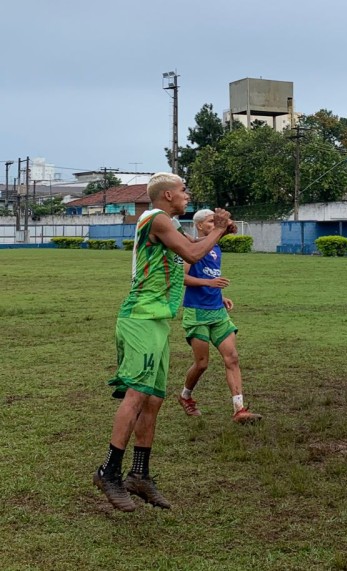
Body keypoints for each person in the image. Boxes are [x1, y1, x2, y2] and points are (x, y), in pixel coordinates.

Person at [94, 173, 234, 512]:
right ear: (168, 195)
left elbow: (194, 247)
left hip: (156, 320)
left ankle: (139, 474)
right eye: (184, 190)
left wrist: (220, 231)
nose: (188, 195)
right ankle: (108, 473)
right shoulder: (156, 219)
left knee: (153, 399)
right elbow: (193, 253)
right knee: (136, 395)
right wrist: (217, 230)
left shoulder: (168, 223)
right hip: (141, 317)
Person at [176, 209, 262, 424]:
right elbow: (181, 278)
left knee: (232, 357)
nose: (214, 225)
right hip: (196, 312)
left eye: (216, 222)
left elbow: (211, 274)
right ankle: (185, 396)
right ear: (199, 226)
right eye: (210, 222)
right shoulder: (191, 249)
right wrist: (209, 284)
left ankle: (239, 409)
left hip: (217, 311)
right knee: (202, 364)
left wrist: (221, 296)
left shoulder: (215, 247)